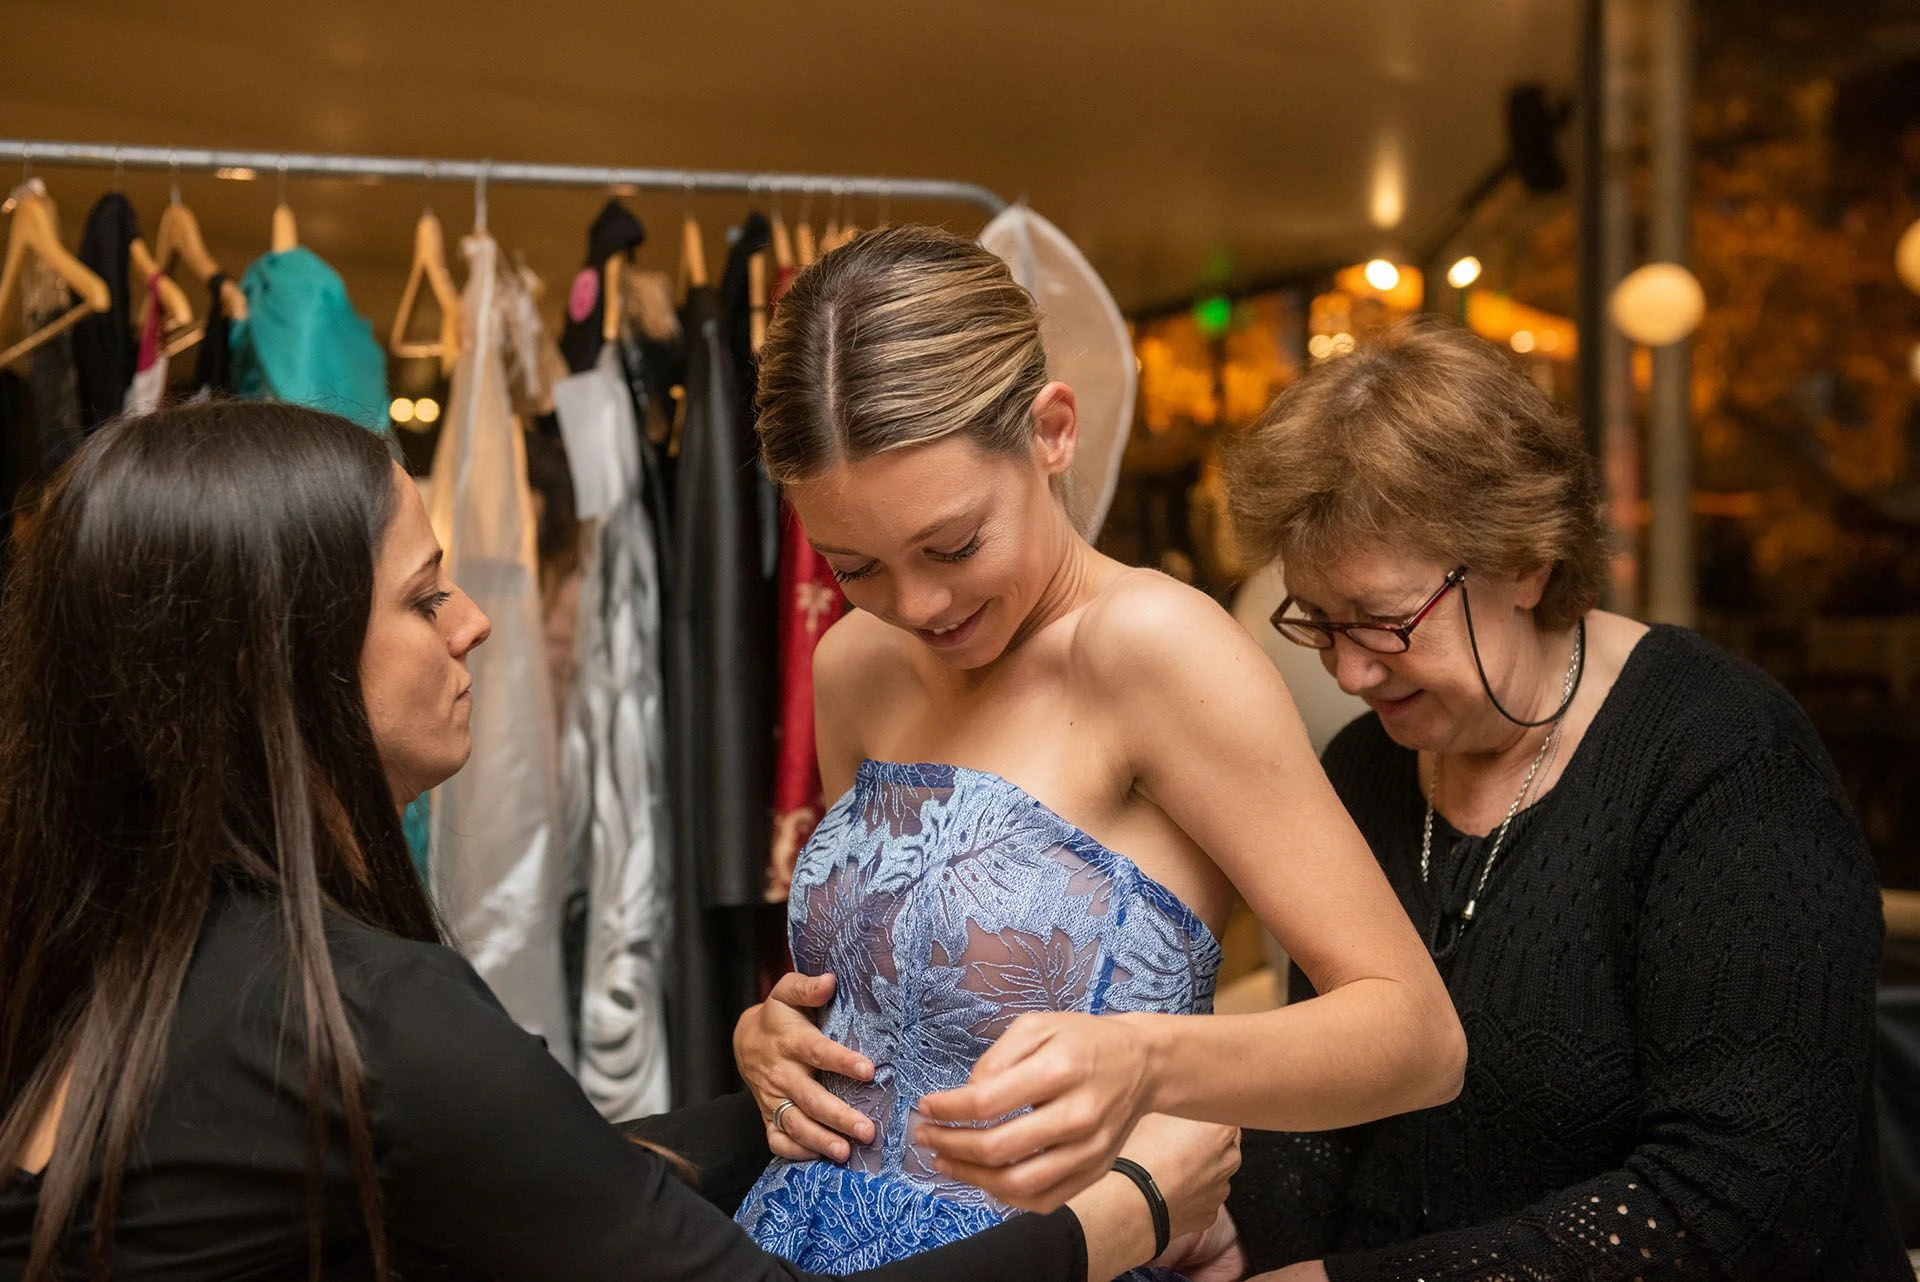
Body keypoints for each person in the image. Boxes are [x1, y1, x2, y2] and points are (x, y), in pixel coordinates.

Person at [0, 401, 1237, 1282]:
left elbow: (552, 1174)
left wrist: (788, 1091)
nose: (475, 622)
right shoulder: (362, 1020)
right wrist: (1132, 1209)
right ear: (272, 667)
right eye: (423, 596)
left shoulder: (132, 957)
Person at [725, 226, 1465, 1276]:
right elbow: (896, 984)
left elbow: (1418, 1039)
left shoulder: (1154, 651)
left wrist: (1150, 1062)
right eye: (858, 566)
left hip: (1062, 1254)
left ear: (1052, 432)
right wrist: (774, 1041)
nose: (919, 604)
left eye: (953, 546)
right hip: (800, 1235)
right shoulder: (854, 664)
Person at [1194, 319, 1906, 1280]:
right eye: (1317, 622)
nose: (1350, 673)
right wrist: (1236, 1229)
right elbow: (1332, 1120)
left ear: (1526, 562)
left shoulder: (1727, 761)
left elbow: (1742, 1195)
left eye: (1384, 621)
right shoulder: (1366, 768)